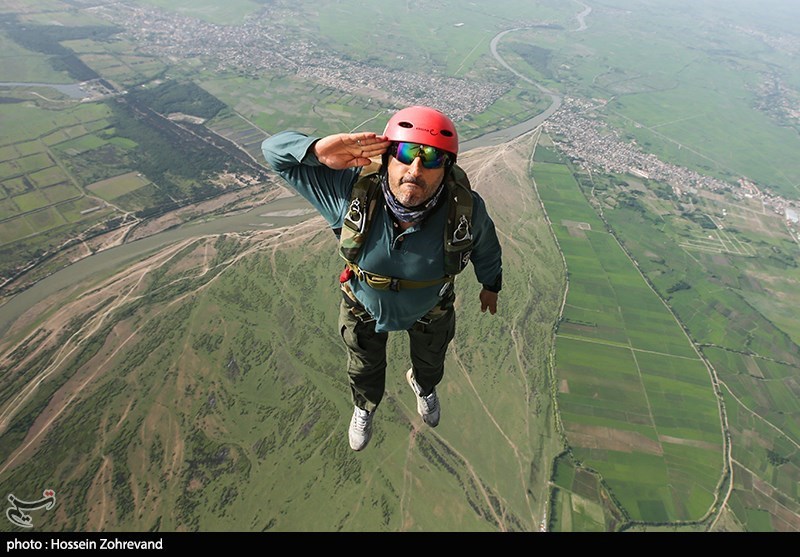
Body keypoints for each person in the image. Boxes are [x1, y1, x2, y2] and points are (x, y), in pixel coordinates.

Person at [261, 106, 502, 451]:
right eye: (405, 153)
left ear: (447, 169)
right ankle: (364, 406)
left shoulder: (464, 210)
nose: (415, 169)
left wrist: (490, 284)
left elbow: (487, 247)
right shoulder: (349, 195)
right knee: (363, 365)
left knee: (431, 361)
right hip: (363, 304)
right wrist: (315, 151)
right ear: (387, 156)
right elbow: (274, 152)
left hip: (429, 306)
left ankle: (424, 387)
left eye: (431, 158)